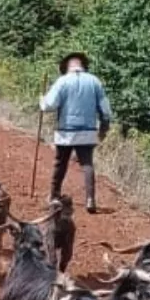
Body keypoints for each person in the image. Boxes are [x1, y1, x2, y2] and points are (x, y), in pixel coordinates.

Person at [39, 51, 115, 212]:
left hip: (66, 131)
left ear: (67, 66)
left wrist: (42, 100)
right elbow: (105, 109)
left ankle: (54, 195)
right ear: (82, 65)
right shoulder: (95, 81)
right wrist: (104, 126)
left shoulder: (62, 81)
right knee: (87, 164)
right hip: (88, 130)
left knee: (60, 163)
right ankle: (90, 199)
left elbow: (48, 106)